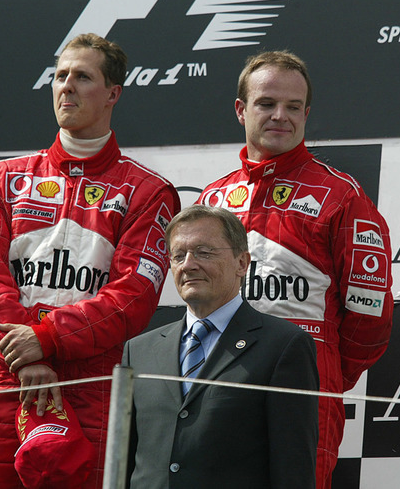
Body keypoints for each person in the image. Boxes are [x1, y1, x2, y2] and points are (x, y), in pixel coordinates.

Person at [0, 33, 180, 488]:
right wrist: (25, 354)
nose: (67, 87)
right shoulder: (4, 178)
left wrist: (48, 339)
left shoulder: (147, 192)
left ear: (113, 94)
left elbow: (132, 298)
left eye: (83, 77)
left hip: (89, 379)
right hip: (5, 373)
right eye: (60, 76)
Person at [197, 50, 393, 487]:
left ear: (307, 113)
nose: (280, 116)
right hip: (216, 380)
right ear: (241, 109)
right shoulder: (212, 199)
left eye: (293, 106)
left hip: (302, 391)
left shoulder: (342, 195)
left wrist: (319, 371)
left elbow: (371, 315)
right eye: (266, 103)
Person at [122, 204, 319, 488]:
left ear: (242, 263)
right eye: (179, 255)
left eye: (204, 252)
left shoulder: (283, 346)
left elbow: (293, 469)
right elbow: (124, 463)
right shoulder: (138, 351)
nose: (188, 264)